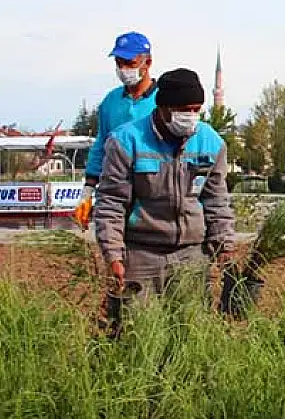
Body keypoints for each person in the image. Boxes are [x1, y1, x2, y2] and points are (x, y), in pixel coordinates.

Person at [93, 68, 235, 306]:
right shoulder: (126, 141)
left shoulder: (212, 143)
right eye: (184, 110)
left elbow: (216, 200)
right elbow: (111, 203)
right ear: (163, 108)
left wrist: (224, 245)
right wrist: (113, 255)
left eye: (196, 109)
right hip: (140, 255)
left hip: (192, 255)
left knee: (191, 332)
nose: (191, 116)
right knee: (137, 330)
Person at [72, 31, 159, 230]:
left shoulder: (163, 102)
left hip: (153, 193)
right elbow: (101, 145)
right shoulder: (110, 102)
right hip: (115, 190)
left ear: (147, 63)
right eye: (119, 63)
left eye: (130, 63)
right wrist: (88, 189)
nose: (123, 69)